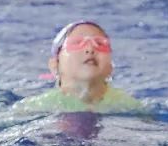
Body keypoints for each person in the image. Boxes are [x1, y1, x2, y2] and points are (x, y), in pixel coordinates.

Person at [15, 21, 145, 114]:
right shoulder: (34, 108)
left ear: (111, 67)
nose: (90, 49)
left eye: (100, 43)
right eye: (76, 43)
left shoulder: (129, 107)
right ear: (55, 65)